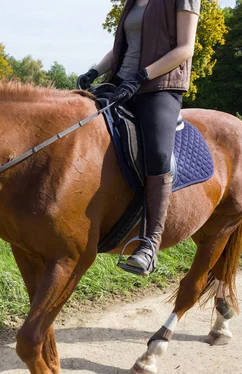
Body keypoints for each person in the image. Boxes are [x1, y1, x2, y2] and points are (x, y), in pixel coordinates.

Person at [77, 0, 201, 276]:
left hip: (159, 87)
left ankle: (148, 244)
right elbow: (122, 49)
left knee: (157, 153)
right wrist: (94, 71)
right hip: (120, 83)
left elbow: (185, 49)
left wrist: (142, 76)